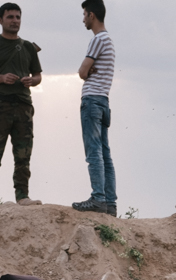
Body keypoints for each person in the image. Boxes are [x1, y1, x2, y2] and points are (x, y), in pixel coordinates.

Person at [0, 3, 43, 210]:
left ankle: (22, 195)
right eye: (10, 17)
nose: (15, 20)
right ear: (0, 20)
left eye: (18, 17)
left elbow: (38, 75)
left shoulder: (28, 47)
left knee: (23, 153)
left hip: (23, 104)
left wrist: (33, 81)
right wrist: (1, 78)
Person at [71, 0, 117, 216]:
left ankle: (98, 198)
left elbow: (82, 71)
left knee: (93, 151)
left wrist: (87, 71)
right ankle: (110, 202)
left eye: (84, 15)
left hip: (92, 100)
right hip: (104, 100)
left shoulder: (98, 40)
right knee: (104, 152)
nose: (83, 19)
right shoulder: (109, 40)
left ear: (91, 15)